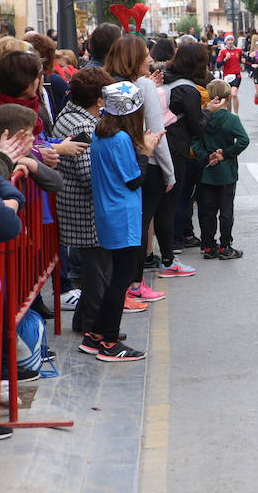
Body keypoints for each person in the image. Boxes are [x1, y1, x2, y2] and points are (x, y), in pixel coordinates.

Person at [80, 80, 163, 361]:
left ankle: (96, 334)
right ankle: (110, 342)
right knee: (122, 277)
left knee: (118, 274)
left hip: (107, 210)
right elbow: (135, 179)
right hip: (122, 213)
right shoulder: (121, 139)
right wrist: (147, 151)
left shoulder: (101, 134)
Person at [104, 34, 176, 302]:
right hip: (149, 163)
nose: (150, 58)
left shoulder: (111, 82)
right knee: (140, 226)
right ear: (134, 58)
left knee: (130, 228)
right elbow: (158, 132)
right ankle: (134, 284)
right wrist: (170, 173)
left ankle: (127, 285)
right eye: (145, 54)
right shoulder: (144, 85)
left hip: (121, 161)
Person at [53, 67, 118, 333]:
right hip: (86, 208)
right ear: (99, 100)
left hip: (74, 204)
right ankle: (95, 326)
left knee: (96, 270)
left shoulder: (70, 114)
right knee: (98, 272)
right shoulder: (82, 124)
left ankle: (84, 321)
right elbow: (88, 173)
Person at [161, 42, 213, 277]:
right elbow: (198, 126)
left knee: (162, 204)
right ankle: (169, 254)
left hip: (157, 145)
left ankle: (165, 251)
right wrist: (209, 110)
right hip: (177, 148)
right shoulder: (188, 90)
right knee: (172, 201)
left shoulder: (163, 78)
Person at [193, 80, 249, 259]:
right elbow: (243, 140)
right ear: (226, 98)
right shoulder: (231, 119)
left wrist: (207, 156)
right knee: (226, 211)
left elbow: (195, 142)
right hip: (227, 171)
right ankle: (225, 246)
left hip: (206, 170)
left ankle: (208, 246)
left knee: (207, 210)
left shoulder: (202, 118)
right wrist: (226, 153)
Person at [215, 35, 244, 114]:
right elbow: (218, 65)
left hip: (236, 75)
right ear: (226, 42)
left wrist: (244, 60)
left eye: (232, 40)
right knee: (228, 97)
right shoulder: (223, 51)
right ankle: (229, 114)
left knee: (234, 94)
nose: (230, 41)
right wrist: (225, 59)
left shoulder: (238, 50)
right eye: (228, 40)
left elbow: (243, 59)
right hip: (227, 76)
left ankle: (236, 115)